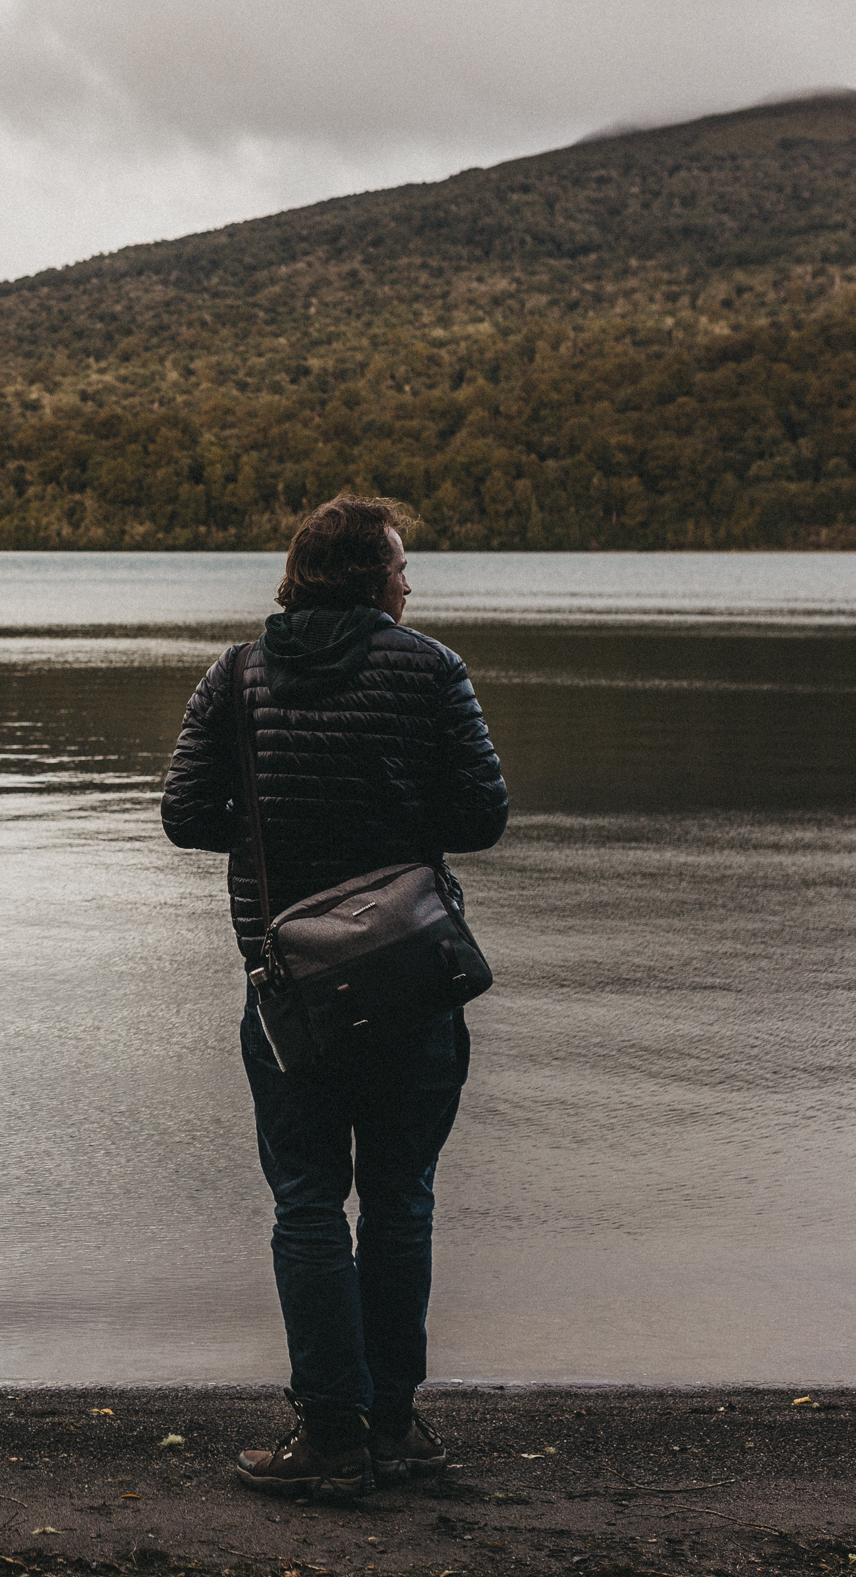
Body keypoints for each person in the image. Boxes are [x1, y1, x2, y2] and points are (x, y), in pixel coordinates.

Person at [160, 493, 508, 1500]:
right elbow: (481, 816)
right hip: (409, 977)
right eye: (399, 565)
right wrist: (390, 812)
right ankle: (394, 1426)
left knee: (307, 1199)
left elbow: (186, 815)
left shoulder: (235, 677)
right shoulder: (431, 668)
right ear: (365, 576)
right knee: (400, 1198)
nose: (410, 583)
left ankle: (331, 1435)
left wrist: (281, 821)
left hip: (290, 989)